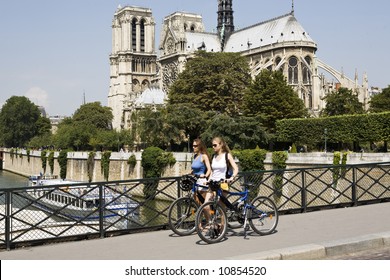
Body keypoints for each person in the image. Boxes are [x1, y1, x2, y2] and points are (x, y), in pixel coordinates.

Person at [205, 136, 238, 203]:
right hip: (213, 182)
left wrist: (232, 178)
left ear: (221, 145)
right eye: (212, 145)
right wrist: (209, 180)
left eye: (215, 145)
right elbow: (212, 171)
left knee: (221, 206)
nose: (213, 147)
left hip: (223, 182)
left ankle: (222, 213)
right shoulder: (213, 156)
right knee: (206, 205)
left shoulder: (227, 155)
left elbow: (236, 168)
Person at [191, 138, 211, 203]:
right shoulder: (194, 156)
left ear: (200, 146)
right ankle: (196, 213)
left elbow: (209, 169)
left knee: (202, 204)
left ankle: (209, 213)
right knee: (195, 203)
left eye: (195, 146)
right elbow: (193, 170)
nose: (193, 147)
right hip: (195, 181)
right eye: (193, 146)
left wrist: (205, 176)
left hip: (201, 181)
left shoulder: (204, 156)